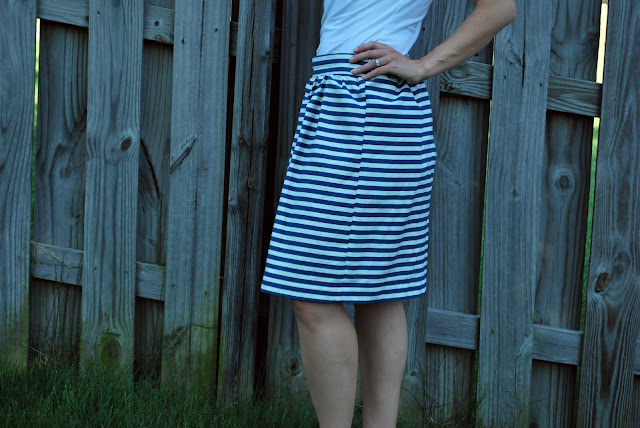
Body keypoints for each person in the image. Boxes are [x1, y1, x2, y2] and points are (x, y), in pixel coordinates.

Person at [260, 0, 516, 426]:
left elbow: (500, 7)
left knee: (313, 295)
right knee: (378, 294)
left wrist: (424, 66)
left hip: (364, 107)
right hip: (350, 103)